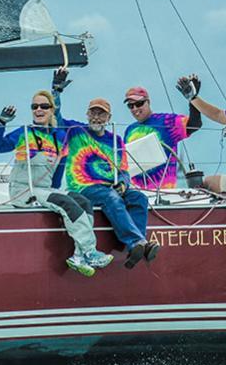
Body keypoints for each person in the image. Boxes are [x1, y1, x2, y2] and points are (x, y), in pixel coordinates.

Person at [0, 71, 114, 277]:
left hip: (46, 190)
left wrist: (56, 91)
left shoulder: (59, 137)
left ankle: (78, 256)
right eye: (34, 106)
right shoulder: (24, 133)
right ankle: (91, 251)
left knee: (82, 201)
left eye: (44, 106)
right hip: (24, 191)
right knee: (66, 202)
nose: (39, 109)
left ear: (51, 111)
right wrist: (2, 123)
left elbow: (57, 175)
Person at [61, 98, 159, 269]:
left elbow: (124, 171)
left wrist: (123, 184)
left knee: (139, 198)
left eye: (101, 114)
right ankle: (136, 242)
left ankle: (138, 246)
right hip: (83, 187)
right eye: (93, 112)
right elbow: (55, 116)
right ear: (87, 114)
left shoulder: (116, 140)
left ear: (109, 117)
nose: (96, 117)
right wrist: (57, 91)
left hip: (109, 186)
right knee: (111, 197)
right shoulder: (76, 131)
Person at [123, 80, 202, 190]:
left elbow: (195, 124)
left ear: (148, 102)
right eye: (130, 106)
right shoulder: (129, 130)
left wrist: (193, 98)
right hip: (137, 192)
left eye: (139, 104)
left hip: (165, 192)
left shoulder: (166, 121)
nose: (135, 109)